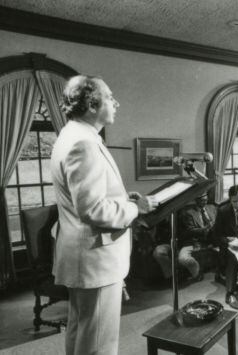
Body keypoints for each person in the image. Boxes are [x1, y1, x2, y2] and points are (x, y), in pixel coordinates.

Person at [51, 75, 157, 355]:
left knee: (82, 331)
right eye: (110, 97)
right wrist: (136, 208)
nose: (116, 103)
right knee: (99, 342)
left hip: (84, 256)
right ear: (91, 104)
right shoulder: (82, 143)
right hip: (95, 259)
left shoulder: (73, 135)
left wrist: (122, 199)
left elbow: (86, 200)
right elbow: (92, 209)